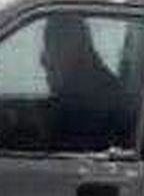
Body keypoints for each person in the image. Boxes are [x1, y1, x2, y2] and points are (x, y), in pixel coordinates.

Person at [41, 14, 135, 152]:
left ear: (70, 48)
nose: (42, 59)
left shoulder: (85, 100)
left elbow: (60, 154)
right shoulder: (95, 83)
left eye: (49, 46)